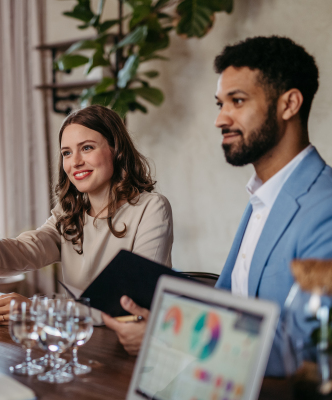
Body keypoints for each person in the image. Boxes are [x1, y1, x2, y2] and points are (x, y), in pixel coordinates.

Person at [104, 36, 332, 377]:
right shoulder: (264, 197)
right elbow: (230, 305)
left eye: (237, 101)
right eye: (220, 104)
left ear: (290, 104)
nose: (220, 120)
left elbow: (306, 349)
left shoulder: (324, 208)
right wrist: (159, 313)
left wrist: (167, 334)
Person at [0, 104, 174, 324]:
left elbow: (130, 301)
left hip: (129, 344)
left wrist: (39, 308)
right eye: (67, 153)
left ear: (116, 150)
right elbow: (28, 248)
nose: (75, 161)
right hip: (77, 340)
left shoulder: (152, 208)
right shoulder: (70, 213)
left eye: (87, 148)